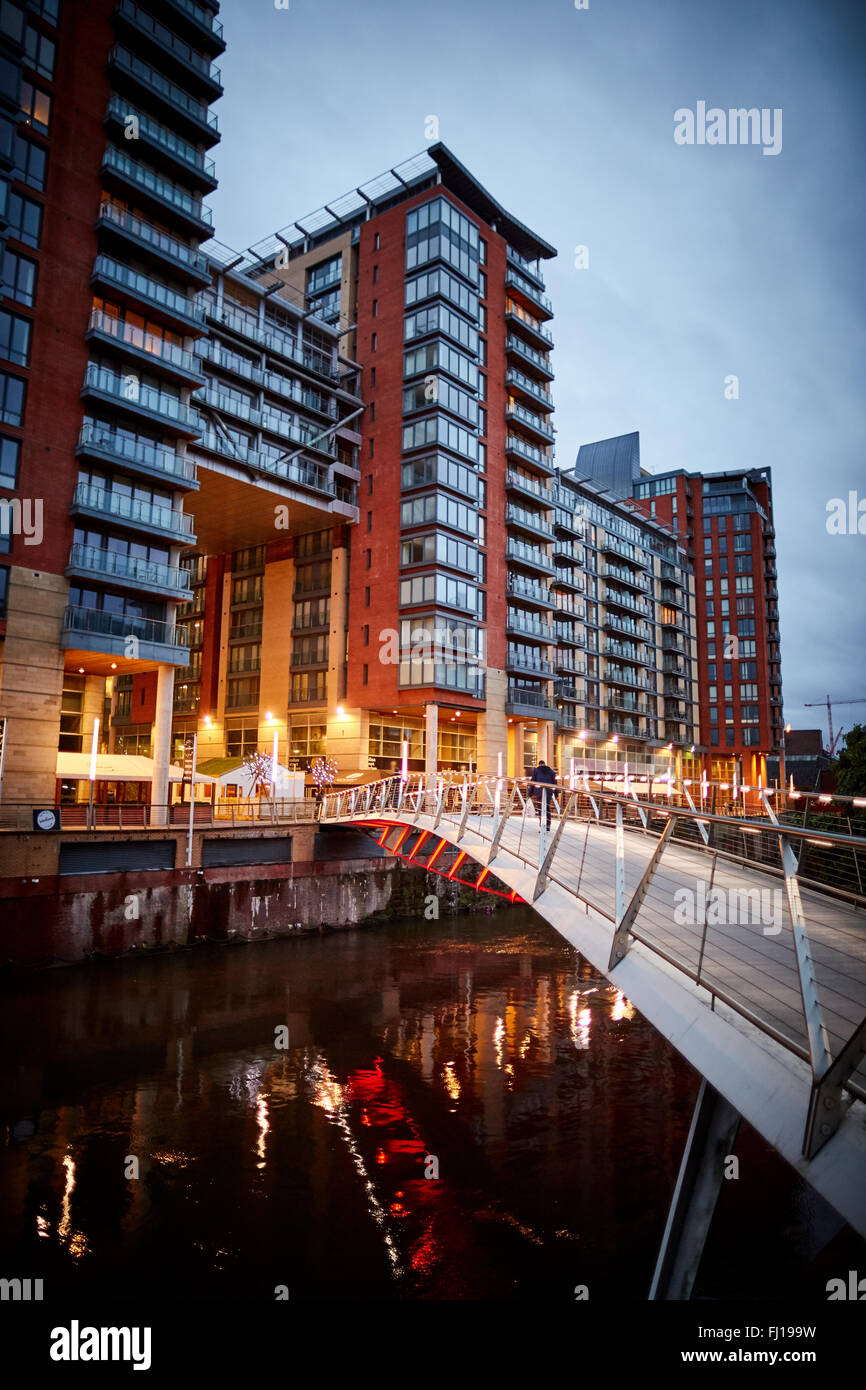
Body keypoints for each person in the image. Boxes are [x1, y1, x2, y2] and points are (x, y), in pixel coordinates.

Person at [529, 759, 558, 830]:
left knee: (540, 807)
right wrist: (556, 793)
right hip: (548, 791)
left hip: (539, 791)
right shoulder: (551, 771)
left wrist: (530, 793)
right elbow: (555, 782)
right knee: (547, 807)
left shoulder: (536, 770)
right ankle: (548, 825)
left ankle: (542, 824)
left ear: (539, 764)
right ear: (545, 764)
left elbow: (533, 781)